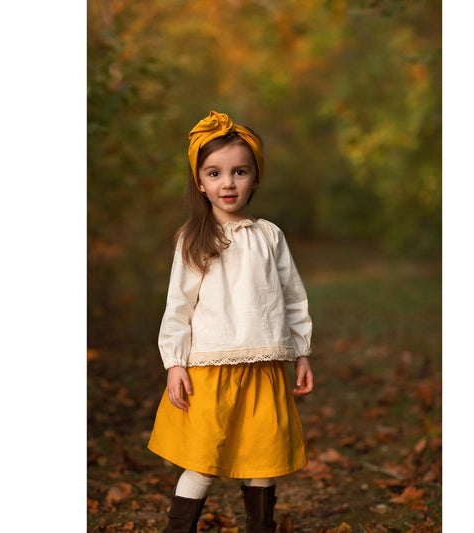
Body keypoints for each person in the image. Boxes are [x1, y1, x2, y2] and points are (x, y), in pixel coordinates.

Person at [148, 110, 314, 533]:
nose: (228, 183)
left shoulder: (269, 235)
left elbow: (293, 298)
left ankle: (261, 525)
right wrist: (175, 363)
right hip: (210, 369)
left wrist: (302, 353)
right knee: (202, 460)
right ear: (200, 182)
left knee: (264, 456)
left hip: (263, 364)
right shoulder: (194, 238)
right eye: (215, 173)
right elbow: (178, 307)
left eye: (239, 172)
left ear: (255, 178)